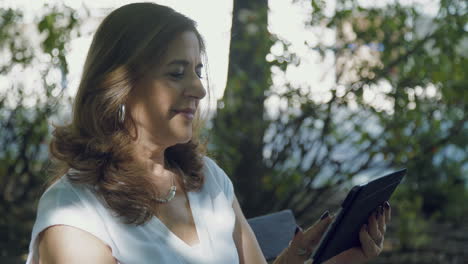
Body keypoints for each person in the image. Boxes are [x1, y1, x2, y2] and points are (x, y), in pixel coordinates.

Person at [26, 2, 390, 264]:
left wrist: (340, 258)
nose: (198, 89)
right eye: (176, 72)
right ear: (119, 85)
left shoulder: (208, 180)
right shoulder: (75, 213)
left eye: (198, 70)